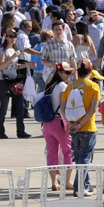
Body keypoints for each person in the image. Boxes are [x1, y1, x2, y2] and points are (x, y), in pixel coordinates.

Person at [62, 59, 101, 195]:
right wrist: (81, 124)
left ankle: (86, 184)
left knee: (79, 158)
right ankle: (79, 188)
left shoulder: (70, 86)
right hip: (88, 128)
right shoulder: (93, 87)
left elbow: (63, 108)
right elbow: (93, 109)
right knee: (85, 159)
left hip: (74, 129)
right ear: (90, 71)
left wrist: (70, 123)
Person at [42, 62, 75, 191]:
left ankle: (54, 182)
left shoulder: (49, 86)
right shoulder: (62, 86)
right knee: (68, 151)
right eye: (66, 72)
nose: (68, 75)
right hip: (59, 121)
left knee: (52, 153)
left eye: (70, 72)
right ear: (59, 73)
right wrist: (68, 123)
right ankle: (67, 181)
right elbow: (63, 107)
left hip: (47, 123)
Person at [0, 29, 31, 139]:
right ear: (6, 37)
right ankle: (0, 131)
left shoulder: (14, 50)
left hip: (15, 81)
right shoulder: (2, 50)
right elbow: (1, 66)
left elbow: (14, 66)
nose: (13, 39)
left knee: (20, 107)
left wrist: (27, 65)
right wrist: (13, 57)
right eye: (11, 36)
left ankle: (21, 131)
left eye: (14, 37)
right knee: (4, 108)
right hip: (4, 82)